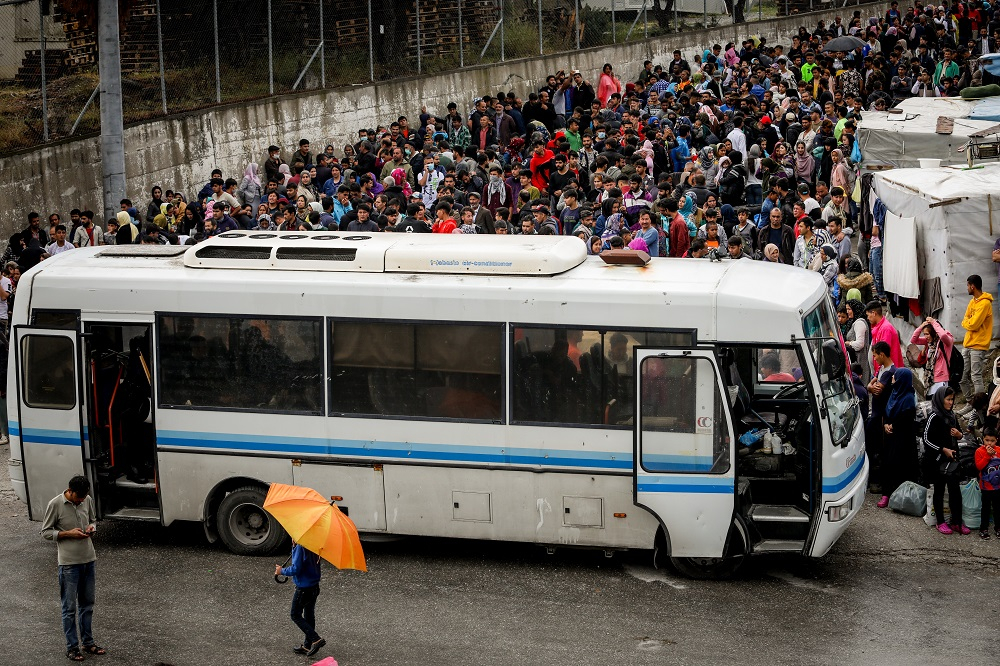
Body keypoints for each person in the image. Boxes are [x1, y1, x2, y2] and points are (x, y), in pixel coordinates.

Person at [40, 475, 106, 662]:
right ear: (70, 491)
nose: (82, 501)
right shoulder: (55, 504)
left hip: (88, 559)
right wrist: (68, 533)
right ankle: (72, 647)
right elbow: (45, 532)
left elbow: (93, 519)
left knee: (87, 605)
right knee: (69, 608)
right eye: (79, 498)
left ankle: (88, 642)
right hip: (69, 564)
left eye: (84, 498)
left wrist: (92, 528)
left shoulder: (87, 499)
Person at [922, 387, 968, 535]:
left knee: (955, 491)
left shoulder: (952, 415)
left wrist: (959, 435)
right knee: (939, 490)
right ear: (940, 399)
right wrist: (942, 449)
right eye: (947, 399)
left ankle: (956, 522)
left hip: (952, 460)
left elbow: (960, 435)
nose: (950, 402)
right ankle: (940, 521)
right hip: (937, 461)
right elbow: (926, 439)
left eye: (952, 400)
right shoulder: (934, 416)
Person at [276, 543, 326, 657]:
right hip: (314, 587)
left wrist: (281, 571)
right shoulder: (312, 545)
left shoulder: (300, 547)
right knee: (309, 615)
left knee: (295, 614)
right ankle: (307, 645)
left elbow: (296, 568)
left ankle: (316, 639)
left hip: (303, 589)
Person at [881, 368, 919, 507]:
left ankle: (901, 498)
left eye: (894, 377)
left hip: (903, 439)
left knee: (901, 466)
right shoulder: (894, 393)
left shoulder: (908, 397)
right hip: (891, 436)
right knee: (888, 464)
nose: (892, 380)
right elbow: (886, 412)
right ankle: (887, 494)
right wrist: (886, 424)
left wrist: (893, 426)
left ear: (900, 380)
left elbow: (907, 419)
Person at [960, 274, 993, 398]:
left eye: (968, 285)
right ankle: (970, 402)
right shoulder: (972, 302)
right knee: (962, 377)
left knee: (976, 377)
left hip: (979, 345)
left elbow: (973, 324)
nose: (967, 288)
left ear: (972, 286)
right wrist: (968, 322)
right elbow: (965, 320)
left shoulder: (985, 304)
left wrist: (968, 322)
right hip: (968, 344)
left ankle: (980, 406)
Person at [910, 316, 955, 397]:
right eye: (924, 334)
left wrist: (934, 323)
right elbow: (913, 340)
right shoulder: (930, 342)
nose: (925, 337)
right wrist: (921, 326)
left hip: (941, 379)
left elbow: (943, 336)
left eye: (927, 334)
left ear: (934, 332)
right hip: (930, 379)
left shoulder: (946, 341)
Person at [975, 427, 1000, 540]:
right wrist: (987, 456)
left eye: (992, 440)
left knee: (997, 508)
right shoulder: (979, 451)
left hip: (998, 486)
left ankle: (998, 527)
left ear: (997, 440)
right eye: (987, 440)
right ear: (983, 439)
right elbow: (979, 466)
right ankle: (983, 528)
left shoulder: (999, 450)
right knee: (985, 508)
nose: (989, 443)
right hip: (986, 487)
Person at [866, 300, 903, 373]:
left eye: (868, 315)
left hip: (887, 373)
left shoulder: (885, 329)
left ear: (873, 313)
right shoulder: (879, 327)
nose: (867, 318)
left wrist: (878, 374)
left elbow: (883, 355)